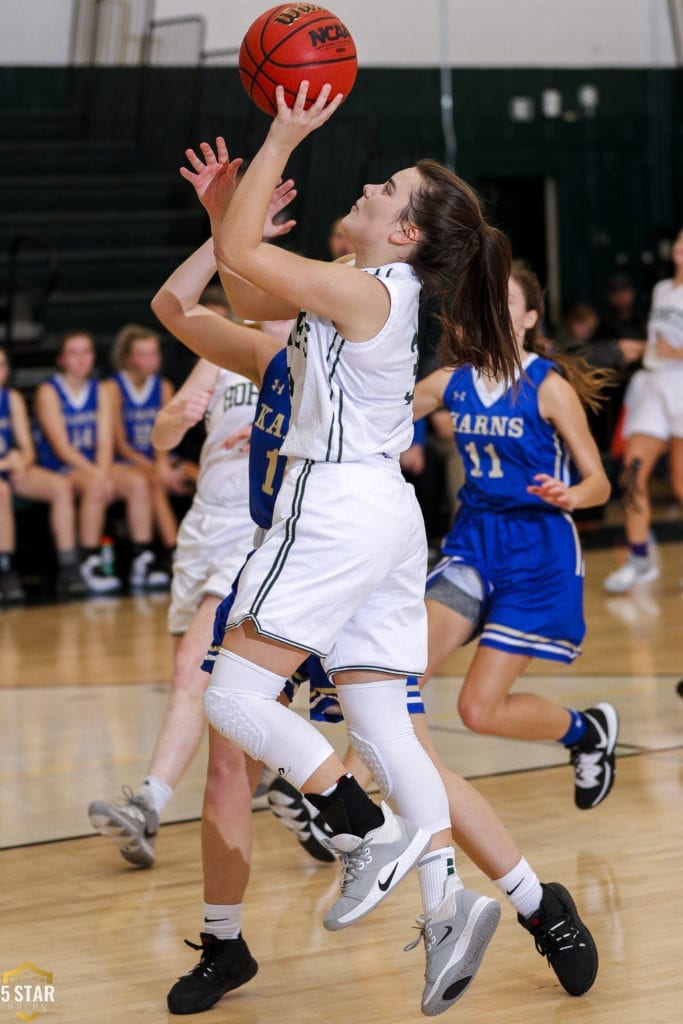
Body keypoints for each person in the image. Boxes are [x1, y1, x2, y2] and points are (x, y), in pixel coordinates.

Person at [141, 237, 597, 1014]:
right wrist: (218, 228)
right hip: (284, 563)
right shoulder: (266, 357)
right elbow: (184, 308)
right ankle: (225, 943)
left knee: (403, 753)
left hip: (347, 559)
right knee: (231, 762)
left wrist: (239, 224)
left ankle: (531, 903)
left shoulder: (363, 355)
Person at [180, 80, 531, 1017]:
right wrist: (223, 213)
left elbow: (248, 256)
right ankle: (448, 904)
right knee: (380, 723)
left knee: (234, 698)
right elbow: (247, 278)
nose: (370, 191)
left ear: (405, 232)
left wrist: (285, 133)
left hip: (330, 507)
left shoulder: (372, 289)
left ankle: (361, 826)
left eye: (385, 190)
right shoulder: (371, 292)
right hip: (384, 517)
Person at [86, 182, 299, 869]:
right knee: (224, 693)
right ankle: (304, 794)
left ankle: (147, 802)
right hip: (204, 524)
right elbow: (160, 434)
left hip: (255, 528)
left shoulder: (303, 353)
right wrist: (180, 416)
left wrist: (275, 435)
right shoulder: (222, 348)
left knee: (194, 671)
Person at [410, 260, 619, 811]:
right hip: (473, 545)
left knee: (478, 711)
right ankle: (340, 802)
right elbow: (370, 417)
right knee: (403, 675)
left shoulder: (548, 388)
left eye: (506, 302)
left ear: (527, 318)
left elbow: (599, 482)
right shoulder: (451, 381)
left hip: (538, 553)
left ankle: (586, 732)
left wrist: (573, 496)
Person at [33, 330, 168, 594]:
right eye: (74, 352)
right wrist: (98, 476)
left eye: (87, 352)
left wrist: (103, 472)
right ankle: (90, 560)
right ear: (61, 359)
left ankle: (143, 558)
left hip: (97, 465)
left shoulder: (103, 389)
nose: (82, 359)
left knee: (137, 483)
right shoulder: (48, 392)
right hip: (64, 467)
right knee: (95, 488)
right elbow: (62, 448)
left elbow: (106, 441)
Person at [604, 229, 683, 592]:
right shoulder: (662, 289)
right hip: (654, 386)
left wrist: (676, 354)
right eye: (680, 240)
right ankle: (639, 559)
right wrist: (645, 350)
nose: (681, 246)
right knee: (631, 474)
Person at [0, 346, 86, 601]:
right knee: (1, 492)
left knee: (60, 486)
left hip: (9, 469)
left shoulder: (11, 397)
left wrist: (20, 459)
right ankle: (6, 570)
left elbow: (27, 448)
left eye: (3, 365)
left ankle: (68, 566)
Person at [106, 323, 193, 572]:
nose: (151, 360)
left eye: (154, 353)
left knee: (201, 474)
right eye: (143, 354)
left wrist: (164, 463)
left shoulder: (163, 385)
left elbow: (165, 431)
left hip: (160, 456)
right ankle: (175, 551)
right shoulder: (113, 387)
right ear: (127, 358)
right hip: (130, 461)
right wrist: (159, 467)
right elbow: (120, 444)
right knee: (155, 480)